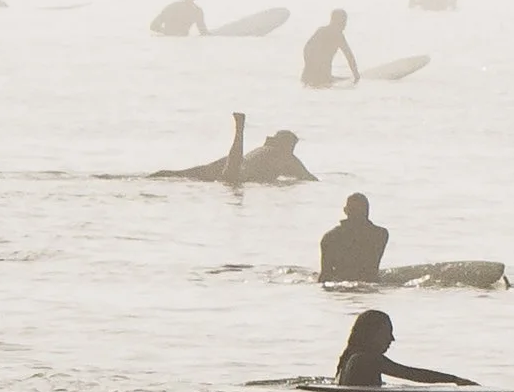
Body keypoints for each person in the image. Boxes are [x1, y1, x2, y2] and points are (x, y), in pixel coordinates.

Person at [151, 113, 316, 183]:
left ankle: (156, 175)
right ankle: (239, 130)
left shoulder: (263, 150)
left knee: (183, 175)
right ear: (287, 145)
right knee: (232, 178)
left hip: (232, 162)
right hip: (241, 171)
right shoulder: (286, 157)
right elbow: (309, 179)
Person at [333, 310, 476, 387]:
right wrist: (454, 380)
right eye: (387, 333)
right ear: (371, 334)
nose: (392, 339)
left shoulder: (351, 358)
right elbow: (410, 374)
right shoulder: (365, 359)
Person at [319, 193, 390, 283]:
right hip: (370, 282)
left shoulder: (330, 237)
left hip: (341, 285)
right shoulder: (381, 234)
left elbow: (325, 275)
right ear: (367, 211)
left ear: (345, 211)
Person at [302, 10, 359, 88]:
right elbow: (349, 56)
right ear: (337, 21)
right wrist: (356, 75)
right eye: (344, 21)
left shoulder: (321, 31)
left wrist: (309, 66)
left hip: (308, 76)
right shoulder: (338, 36)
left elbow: (306, 50)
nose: (345, 25)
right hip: (322, 78)